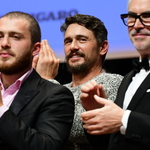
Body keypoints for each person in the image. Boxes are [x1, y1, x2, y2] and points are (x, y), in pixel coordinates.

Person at [80, 0, 150, 149]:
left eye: (147, 16)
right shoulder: (128, 77)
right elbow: (114, 142)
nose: (137, 25)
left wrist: (124, 119)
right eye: (132, 17)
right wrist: (99, 115)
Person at [0, 11, 74, 150]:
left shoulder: (55, 96)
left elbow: (46, 146)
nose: (4, 43)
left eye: (15, 37)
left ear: (35, 48)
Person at [33, 14, 123, 150]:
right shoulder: (60, 89)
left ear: (102, 47)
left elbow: (77, 130)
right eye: (68, 41)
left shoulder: (114, 82)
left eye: (82, 40)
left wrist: (47, 81)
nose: (73, 47)